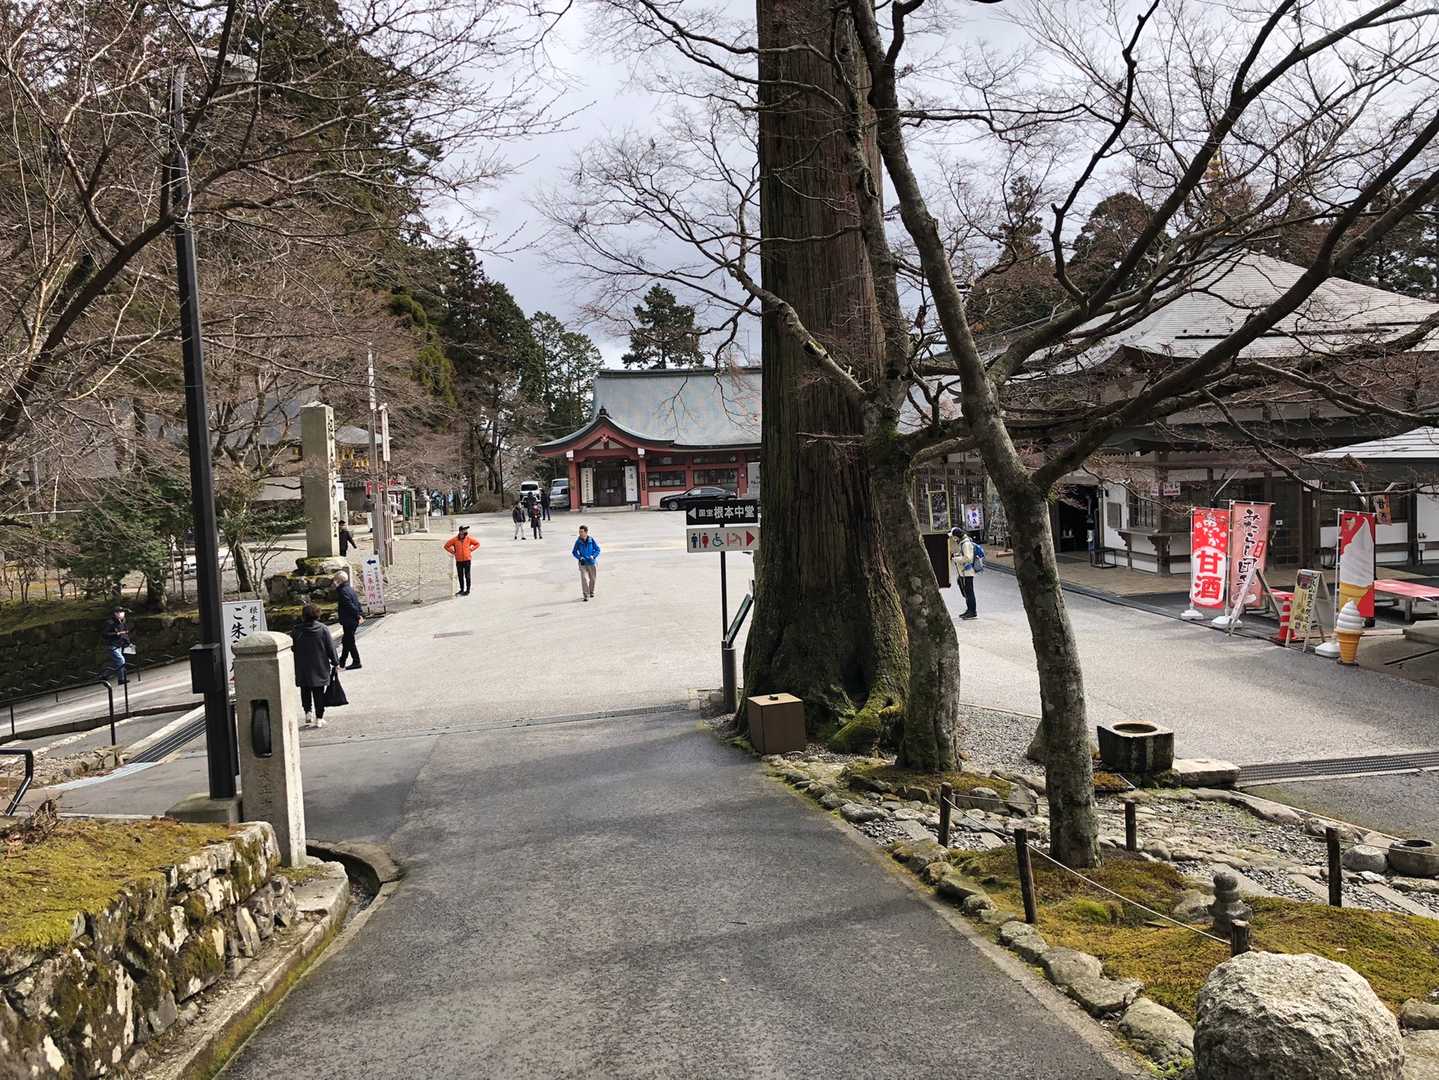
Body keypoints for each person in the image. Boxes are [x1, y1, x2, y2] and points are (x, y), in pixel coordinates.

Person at [291, 603, 338, 728]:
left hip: (303, 666)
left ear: (303, 615)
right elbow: (330, 647)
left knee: (305, 689)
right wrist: (335, 661)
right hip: (320, 665)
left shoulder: (296, 630)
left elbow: (293, 648)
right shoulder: (323, 629)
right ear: (318, 615)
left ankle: (308, 712)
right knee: (319, 692)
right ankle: (319, 718)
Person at [333, 570, 363, 669]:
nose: (334, 582)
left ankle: (356, 661)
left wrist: (358, 615)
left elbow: (349, 605)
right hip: (351, 619)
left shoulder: (342, 591)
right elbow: (357, 602)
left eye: (335, 580)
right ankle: (342, 661)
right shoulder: (349, 588)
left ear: (339, 581)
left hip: (349, 620)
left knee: (349, 641)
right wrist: (360, 613)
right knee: (346, 641)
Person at [949, 527, 978, 620]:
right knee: (967, 591)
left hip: (967, 572)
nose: (953, 539)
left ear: (957, 536)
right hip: (964, 572)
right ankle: (969, 610)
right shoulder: (963, 542)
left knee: (969, 592)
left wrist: (956, 559)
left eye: (953, 537)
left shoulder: (965, 544)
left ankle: (972, 611)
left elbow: (968, 558)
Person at [444, 524, 481, 595]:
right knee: (460, 576)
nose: (466, 531)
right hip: (459, 561)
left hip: (467, 560)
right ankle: (461, 590)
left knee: (467, 576)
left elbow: (477, 544)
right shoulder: (455, 539)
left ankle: (468, 590)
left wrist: (471, 549)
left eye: (466, 530)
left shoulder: (468, 538)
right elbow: (446, 546)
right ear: (460, 531)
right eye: (464, 530)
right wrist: (453, 552)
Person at [101, 604, 132, 684]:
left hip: (119, 644)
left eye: (122, 612)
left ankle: (104, 675)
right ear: (115, 614)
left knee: (116, 662)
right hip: (112, 645)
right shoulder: (110, 623)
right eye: (119, 612)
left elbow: (125, 632)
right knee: (121, 660)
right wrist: (116, 634)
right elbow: (105, 634)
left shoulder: (123, 621)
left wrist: (128, 642)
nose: (121, 614)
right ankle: (121, 679)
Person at [572, 524, 600, 601]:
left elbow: (597, 549)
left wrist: (593, 556)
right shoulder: (578, 541)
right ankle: (586, 595)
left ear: (586, 532)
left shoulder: (591, 540)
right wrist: (579, 557)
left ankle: (591, 591)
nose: (580, 533)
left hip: (591, 562)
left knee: (593, 579)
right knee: (584, 578)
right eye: (579, 532)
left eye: (581, 532)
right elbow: (574, 552)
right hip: (583, 563)